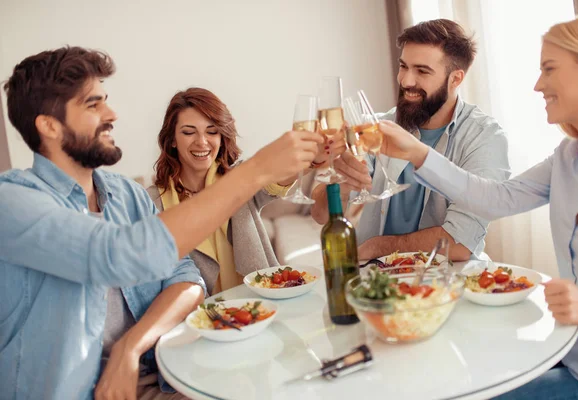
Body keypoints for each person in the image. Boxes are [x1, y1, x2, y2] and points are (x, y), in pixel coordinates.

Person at [0, 47, 322, 400]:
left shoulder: (127, 196)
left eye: (105, 100)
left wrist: (131, 347)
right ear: (48, 125)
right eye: (93, 105)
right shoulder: (13, 202)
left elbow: (184, 277)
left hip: (164, 376)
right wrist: (255, 169)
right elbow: (116, 254)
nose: (112, 114)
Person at [376, 14, 578, 399]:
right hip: (568, 351)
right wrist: (417, 153)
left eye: (549, 69)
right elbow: (496, 198)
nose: (537, 84)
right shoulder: (567, 158)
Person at [311, 19, 511, 261]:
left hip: (447, 280)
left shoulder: (485, 138)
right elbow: (321, 214)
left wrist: (377, 247)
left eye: (422, 71)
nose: (406, 81)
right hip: (377, 282)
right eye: (403, 66)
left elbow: (460, 242)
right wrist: (342, 187)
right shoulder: (371, 128)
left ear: (456, 79)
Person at [147, 88, 330, 295]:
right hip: (202, 319)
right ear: (172, 140)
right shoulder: (150, 201)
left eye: (212, 131)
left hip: (262, 308)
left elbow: (277, 177)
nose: (202, 141)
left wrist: (315, 157)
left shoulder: (240, 178)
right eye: (189, 132)